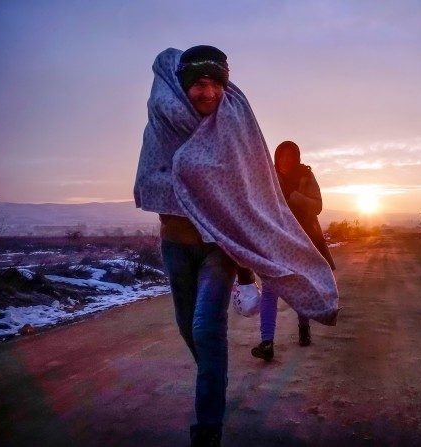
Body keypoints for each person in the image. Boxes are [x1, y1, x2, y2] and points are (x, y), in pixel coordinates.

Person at [134, 46, 338, 447]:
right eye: (198, 84)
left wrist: (246, 246)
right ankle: (214, 377)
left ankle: (207, 429)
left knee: (205, 327)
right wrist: (186, 184)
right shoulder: (162, 127)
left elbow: (250, 191)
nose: (208, 93)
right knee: (188, 331)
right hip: (175, 244)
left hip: (218, 245)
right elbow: (151, 181)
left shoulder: (235, 128)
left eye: (215, 83)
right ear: (183, 86)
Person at [251, 141, 336, 361]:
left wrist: (294, 197)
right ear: (276, 158)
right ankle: (267, 342)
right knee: (270, 289)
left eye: (290, 156)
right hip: (276, 240)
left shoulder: (306, 176)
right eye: (282, 156)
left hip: (302, 240)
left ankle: (304, 327)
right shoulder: (268, 176)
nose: (286, 160)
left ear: (297, 158)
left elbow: (317, 205)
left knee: (300, 285)